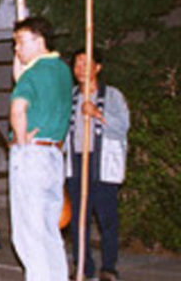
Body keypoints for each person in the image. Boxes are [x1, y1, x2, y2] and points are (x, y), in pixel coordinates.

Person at [8, 17, 73, 281]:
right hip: (54, 154)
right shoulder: (61, 70)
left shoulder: (34, 74)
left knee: (29, 235)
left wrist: (21, 138)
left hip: (32, 154)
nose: (17, 49)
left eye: (21, 42)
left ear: (39, 40)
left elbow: (17, 108)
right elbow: (19, 76)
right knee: (48, 231)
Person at [66, 49, 129, 281]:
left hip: (101, 163)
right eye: (77, 64)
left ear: (98, 67)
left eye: (86, 63)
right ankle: (83, 266)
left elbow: (123, 127)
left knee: (107, 219)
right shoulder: (70, 96)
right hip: (76, 161)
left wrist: (97, 113)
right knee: (78, 220)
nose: (81, 68)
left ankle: (109, 267)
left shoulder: (112, 95)